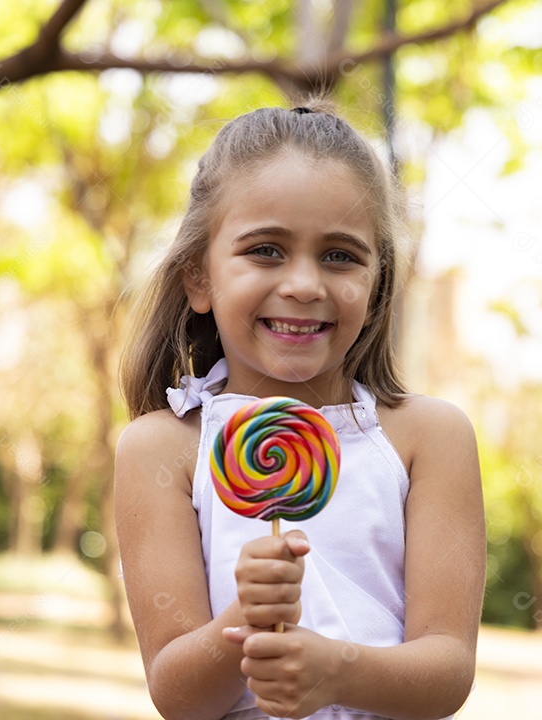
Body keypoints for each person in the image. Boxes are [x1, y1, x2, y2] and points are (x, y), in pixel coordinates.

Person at [115, 100, 485, 720]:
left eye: (340, 255)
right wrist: (245, 620)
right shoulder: (163, 448)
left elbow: (447, 670)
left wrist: (339, 672)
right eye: (266, 250)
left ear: (377, 283)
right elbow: (177, 697)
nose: (305, 285)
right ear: (198, 277)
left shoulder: (429, 438)